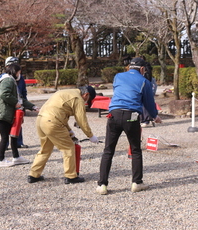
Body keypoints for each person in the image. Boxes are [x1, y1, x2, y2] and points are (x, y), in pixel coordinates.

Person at [96, 57, 162, 195]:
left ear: (129, 67)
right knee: (135, 149)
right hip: (131, 115)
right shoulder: (144, 81)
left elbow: (119, 91)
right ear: (142, 69)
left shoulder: (118, 76)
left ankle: (102, 185)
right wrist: (155, 116)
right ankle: (136, 182)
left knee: (108, 150)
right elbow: (149, 103)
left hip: (113, 113)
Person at [28, 85, 99, 184]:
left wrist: (69, 130)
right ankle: (71, 176)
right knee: (69, 148)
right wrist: (90, 136)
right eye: (88, 100)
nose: (86, 103)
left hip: (41, 120)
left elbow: (60, 113)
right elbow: (82, 120)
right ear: (86, 95)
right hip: (52, 122)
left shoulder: (66, 92)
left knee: (45, 149)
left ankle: (33, 175)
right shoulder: (78, 99)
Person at [0, 63, 30, 167]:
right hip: (2, 113)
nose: (19, 74)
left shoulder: (10, 80)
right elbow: (4, 94)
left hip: (5, 113)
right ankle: (1, 160)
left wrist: (33, 107)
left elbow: (20, 99)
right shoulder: (8, 80)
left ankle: (16, 157)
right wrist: (15, 102)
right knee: (5, 137)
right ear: (15, 72)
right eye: (19, 72)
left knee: (13, 136)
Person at [0, 56, 39, 148]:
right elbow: (3, 94)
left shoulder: (20, 78)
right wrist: (15, 101)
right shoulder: (4, 79)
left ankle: (18, 143)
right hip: (7, 106)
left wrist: (28, 106)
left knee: (18, 123)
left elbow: (22, 92)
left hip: (18, 103)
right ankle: (5, 145)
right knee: (6, 127)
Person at [139, 55, 157, 128]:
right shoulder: (146, 67)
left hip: (146, 85)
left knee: (145, 105)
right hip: (146, 85)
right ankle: (144, 119)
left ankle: (146, 120)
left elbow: (148, 78)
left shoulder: (146, 68)